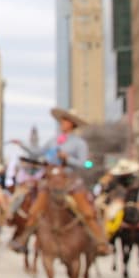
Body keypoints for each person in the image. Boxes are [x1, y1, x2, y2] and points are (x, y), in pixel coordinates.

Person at [8, 107, 111, 255]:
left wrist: (67, 158)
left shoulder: (79, 143)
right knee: (34, 210)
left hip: (70, 181)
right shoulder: (53, 140)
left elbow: (84, 163)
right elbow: (37, 152)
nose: (62, 123)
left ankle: (101, 242)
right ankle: (23, 238)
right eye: (62, 120)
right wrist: (22, 143)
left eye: (65, 120)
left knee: (87, 212)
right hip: (51, 180)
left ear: (72, 124)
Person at [108, 159, 139, 244]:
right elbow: (111, 191)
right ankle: (108, 235)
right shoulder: (116, 179)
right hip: (120, 202)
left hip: (136, 202)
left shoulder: (136, 179)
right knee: (110, 214)